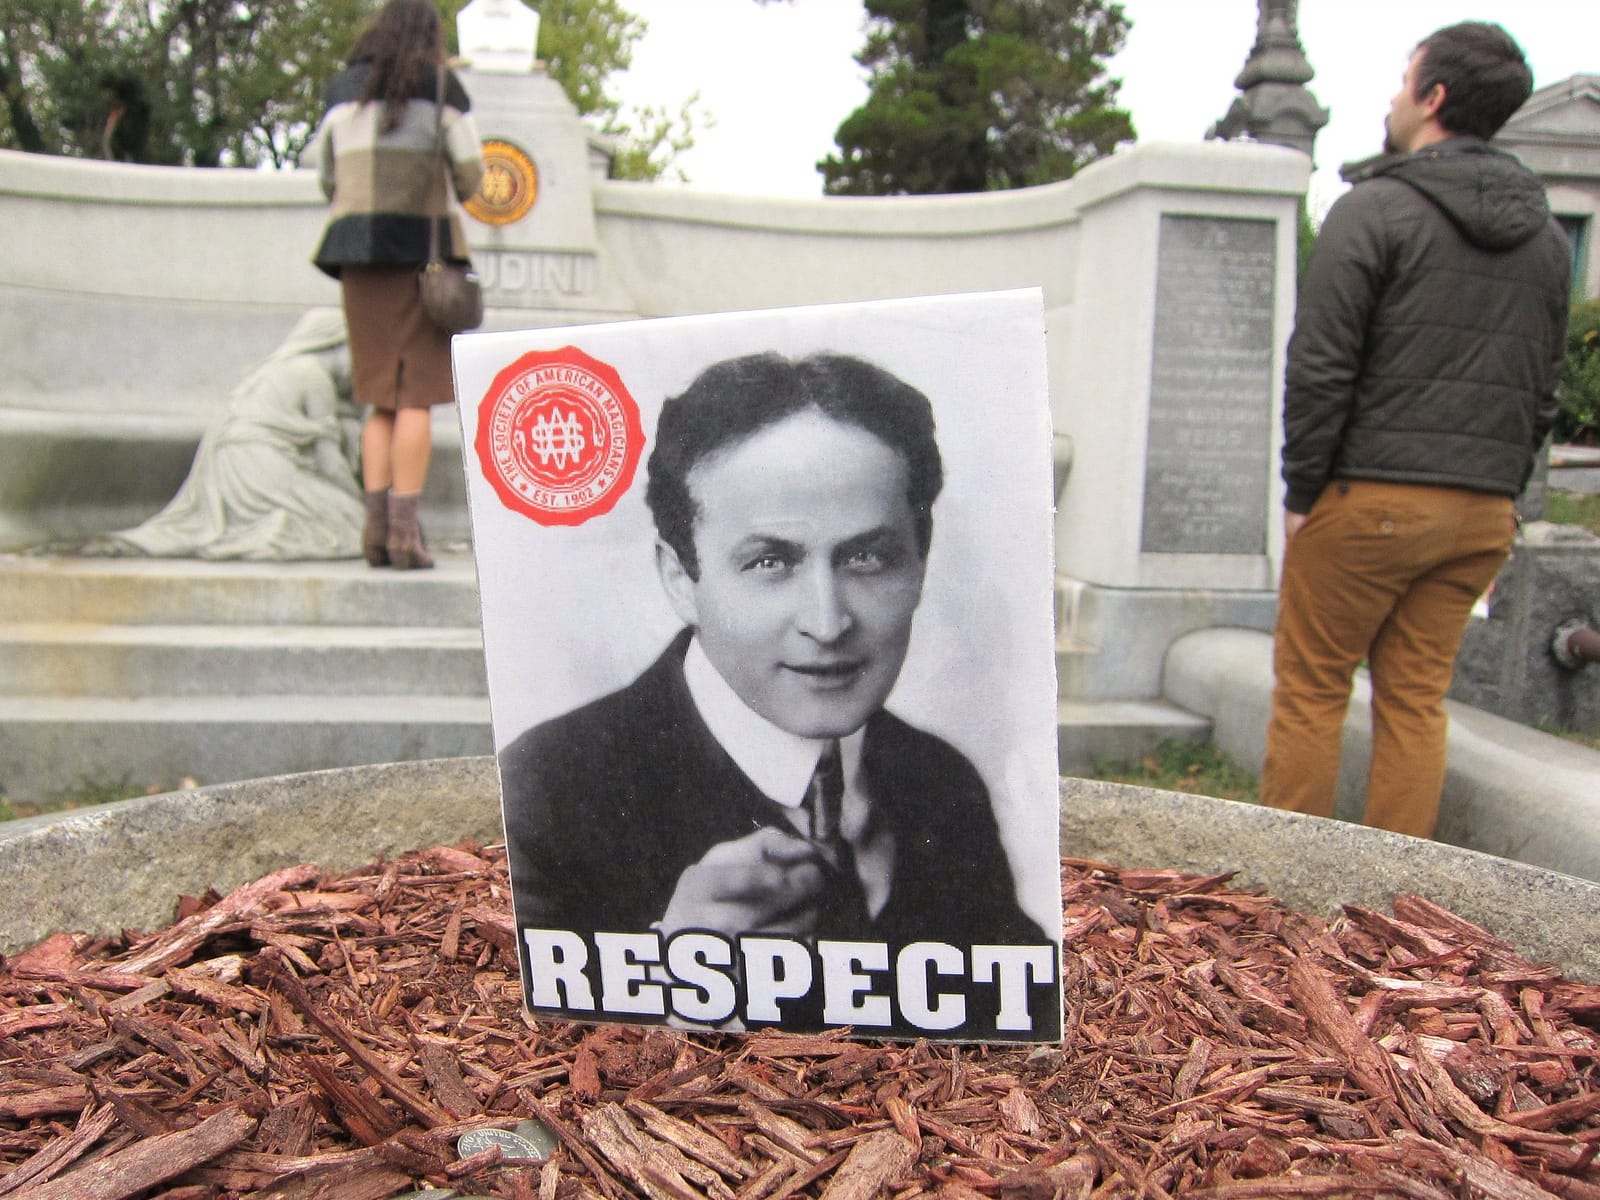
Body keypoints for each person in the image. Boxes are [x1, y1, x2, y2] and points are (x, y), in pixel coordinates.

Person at [497, 352, 1054, 1034]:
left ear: (920, 558)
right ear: (680, 579)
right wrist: (665, 985)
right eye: (769, 562)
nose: (827, 622)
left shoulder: (939, 781)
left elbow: (1021, 1016)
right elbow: (508, 1058)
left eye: (867, 557)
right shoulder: (544, 794)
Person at [1261, 22, 1571, 839]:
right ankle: (1395, 894)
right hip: (1481, 513)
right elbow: (1544, 389)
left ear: (1433, 98)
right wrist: (1501, 490)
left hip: (1372, 499)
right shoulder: (1546, 239)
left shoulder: (1375, 210)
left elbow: (1321, 364)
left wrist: (1303, 492)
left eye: (1404, 82)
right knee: (1416, 700)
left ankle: (1280, 884)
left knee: (1312, 689)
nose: (1393, 98)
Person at [312, 0, 484, 570]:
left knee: (380, 399)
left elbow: (326, 176)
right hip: (422, 260)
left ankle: (376, 532)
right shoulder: (443, 90)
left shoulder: (343, 90)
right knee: (415, 399)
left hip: (357, 255)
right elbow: (472, 176)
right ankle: (406, 535)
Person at [81, 309, 365, 561]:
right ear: (338, 343)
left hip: (229, 465)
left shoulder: (272, 371)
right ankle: (269, 528)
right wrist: (364, 503)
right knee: (355, 523)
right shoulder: (314, 375)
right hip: (261, 466)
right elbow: (330, 464)